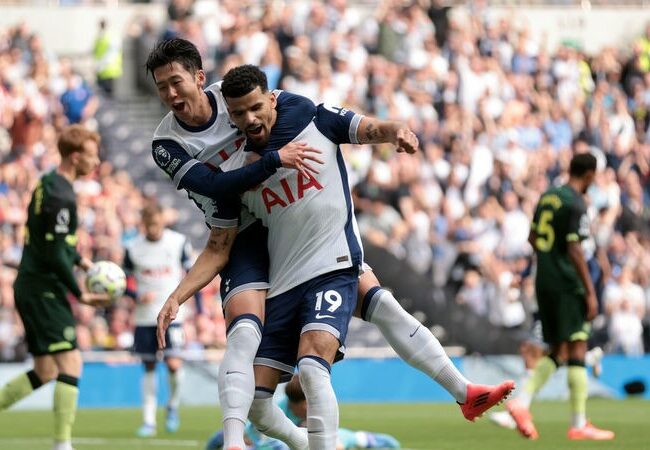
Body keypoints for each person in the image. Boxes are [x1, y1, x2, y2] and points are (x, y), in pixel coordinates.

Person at [146, 39, 513, 450]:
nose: (170, 94)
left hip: (315, 243)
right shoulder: (168, 144)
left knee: (357, 321)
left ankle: (462, 391)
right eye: (162, 87)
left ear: (199, 78)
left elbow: (345, 124)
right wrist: (178, 295)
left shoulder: (279, 106)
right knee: (251, 360)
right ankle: (271, 442)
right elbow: (215, 189)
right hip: (242, 231)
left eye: (175, 82)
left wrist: (394, 131)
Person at [0, 125, 111, 450]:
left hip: (32, 284)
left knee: (46, 370)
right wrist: (80, 294)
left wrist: (83, 262)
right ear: (76, 156)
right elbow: (53, 253)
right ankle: (62, 445)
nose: (96, 161)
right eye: (91, 155)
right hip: (43, 289)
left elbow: (54, 242)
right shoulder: (63, 196)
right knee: (71, 363)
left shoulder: (48, 183)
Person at [504, 152, 614, 441]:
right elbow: (576, 249)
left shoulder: (548, 196)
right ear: (590, 174)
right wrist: (590, 291)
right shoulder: (576, 202)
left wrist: (549, 261)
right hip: (568, 283)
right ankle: (576, 423)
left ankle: (525, 403)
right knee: (577, 345)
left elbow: (532, 238)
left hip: (545, 282)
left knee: (561, 350)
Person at [123, 202, 196, 437]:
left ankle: (173, 406)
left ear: (162, 221)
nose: (153, 228)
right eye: (149, 224)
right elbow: (121, 282)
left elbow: (192, 275)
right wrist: (136, 295)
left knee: (174, 364)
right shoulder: (132, 248)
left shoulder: (177, 243)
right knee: (149, 366)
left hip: (174, 316)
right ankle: (149, 421)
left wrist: (200, 308)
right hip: (145, 317)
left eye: (156, 223)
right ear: (143, 225)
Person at [205, 374, 401, 450]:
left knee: (343, 441)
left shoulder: (317, 407)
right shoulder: (274, 415)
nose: (309, 408)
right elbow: (256, 439)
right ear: (294, 403)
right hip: (269, 441)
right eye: (306, 404)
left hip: (308, 438)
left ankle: (370, 440)